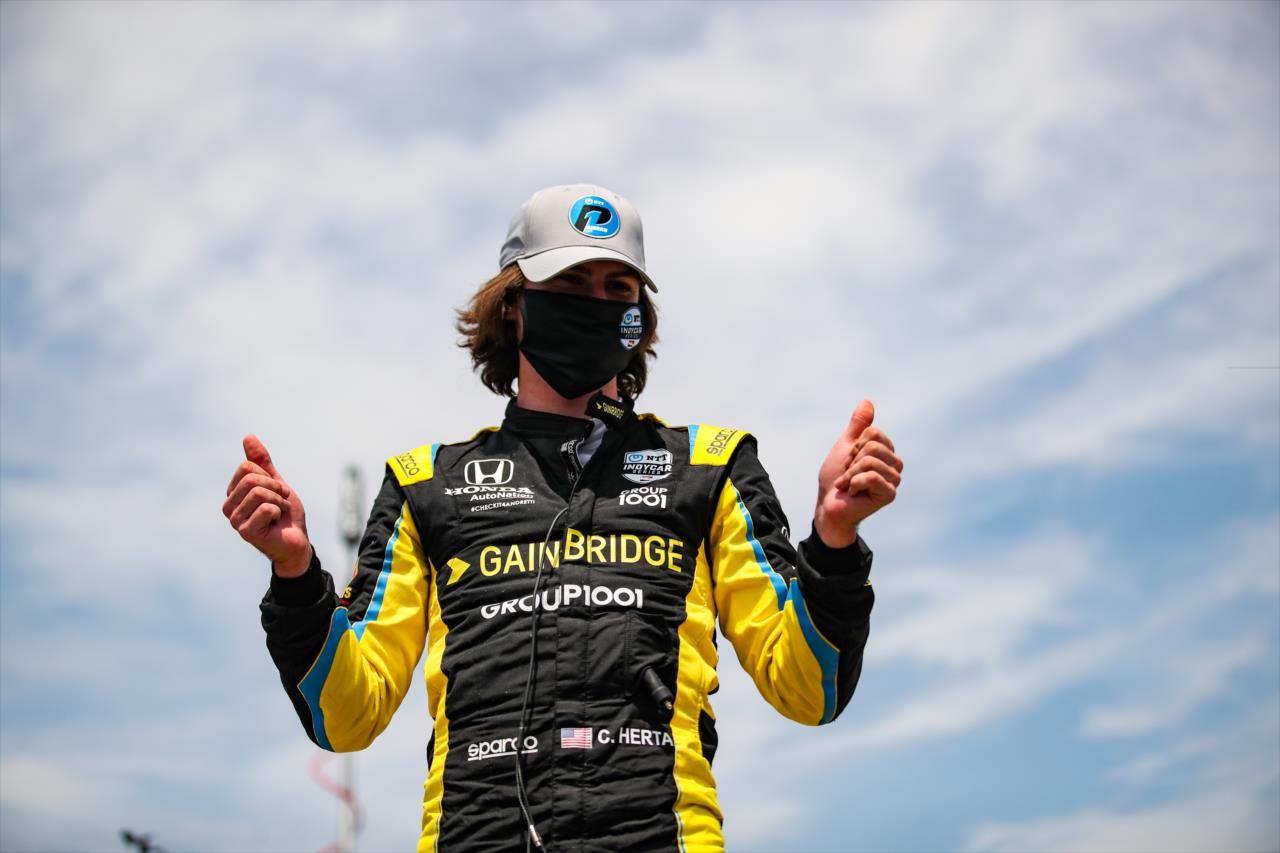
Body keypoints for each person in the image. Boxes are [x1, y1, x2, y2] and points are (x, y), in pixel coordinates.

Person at [222, 184, 903, 853]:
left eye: (618, 288)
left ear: (639, 315)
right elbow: (345, 716)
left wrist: (834, 540)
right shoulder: (424, 484)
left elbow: (809, 690)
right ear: (513, 306)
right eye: (572, 283)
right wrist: (295, 573)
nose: (597, 303)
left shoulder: (711, 466)